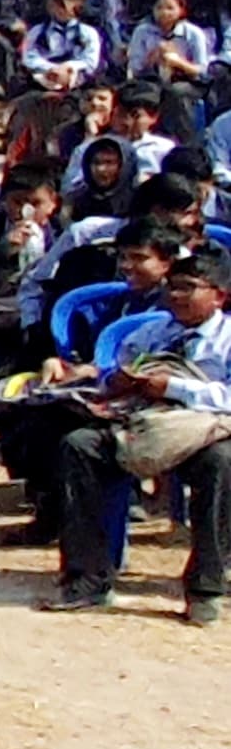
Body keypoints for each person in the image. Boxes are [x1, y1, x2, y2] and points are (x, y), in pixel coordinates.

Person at [44, 245, 231, 621]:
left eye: (189, 287)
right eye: (172, 286)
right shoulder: (153, 331)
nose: (176, 295)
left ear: (219, 294)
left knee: (223, 463)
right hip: (142, 422)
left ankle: (205, 586)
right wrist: (119, 382)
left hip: (203, 427)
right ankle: (88, 578)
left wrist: (173, 388)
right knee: (79, 446)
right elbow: (112, 372)